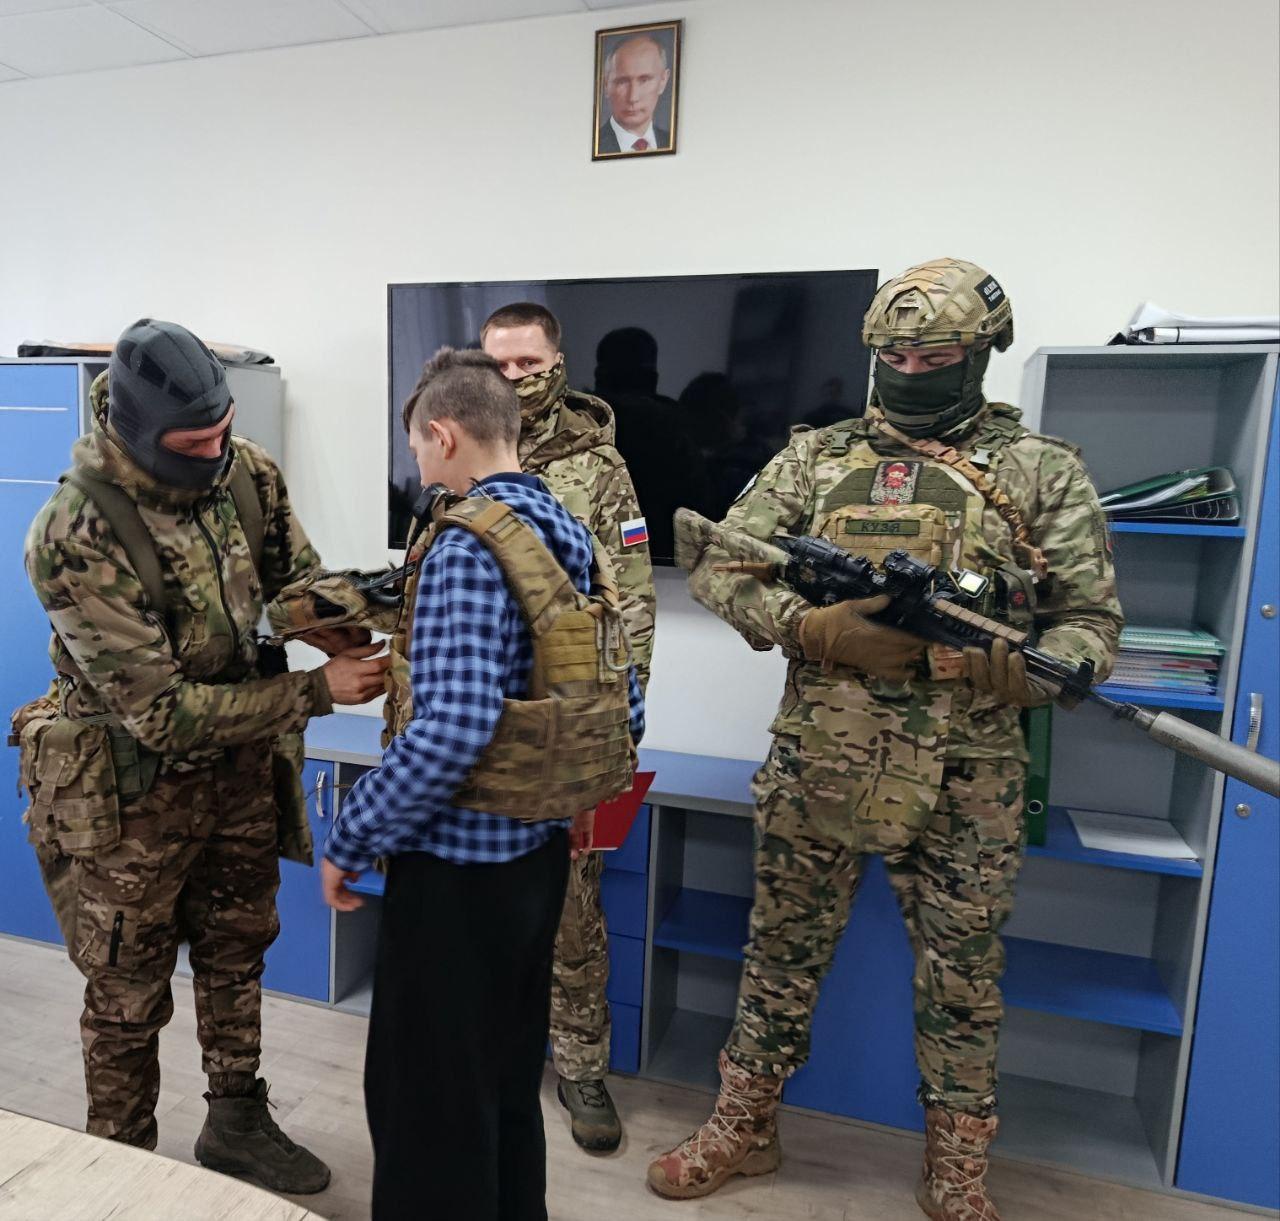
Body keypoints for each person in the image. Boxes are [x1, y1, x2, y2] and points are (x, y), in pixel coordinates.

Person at [647, 259, 1123, 1220]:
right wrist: (812, 626)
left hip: (969, 773)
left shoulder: (1040, 470)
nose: (908, 369)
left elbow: (1091, 625)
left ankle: (957, 1170)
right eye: (892, 354)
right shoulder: (813, 460)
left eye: (932, 355)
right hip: (822, 753)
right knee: (779, 950)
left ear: (978, 352)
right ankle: (744, 1125)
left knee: (963, 974)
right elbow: (721, 567)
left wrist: (1031, 668)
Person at [18, 318, 387, 1191]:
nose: (217, 452)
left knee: (237, 947)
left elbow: (290, 582)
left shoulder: (245, 471)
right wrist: (316, 691)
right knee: (126, 992)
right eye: (195, 444)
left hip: (238, 774)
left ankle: (236, 1121)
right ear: (140, 432)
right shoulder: (75, 532)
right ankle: (117, 1165)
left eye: (223, 430)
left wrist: (339, 614)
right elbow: (161, 713)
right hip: (131, 795)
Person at [319, 347, 645, 1221]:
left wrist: (351, 834)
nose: (421, 471)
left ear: (444, 433)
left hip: (456, 873)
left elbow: (453, 725)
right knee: (503, 1080)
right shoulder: (567, 529)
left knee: (427, 1101)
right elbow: (621, 694)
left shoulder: (468, 543)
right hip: (534, 858)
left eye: (419, 452)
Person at [479, 301, 656, 1152]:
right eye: (499, 365)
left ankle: (581, 1065)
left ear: (559, 363)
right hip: (478, 719)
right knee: (476, 906)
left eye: (529, 363)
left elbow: (634, 603)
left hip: (564, 723)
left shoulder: (598, 468)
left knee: (571, 910)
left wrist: (619, 725)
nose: (514, 379)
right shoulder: (462, 448)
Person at [597, 33, 672, 154]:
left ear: (663, 81)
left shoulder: (673, 141)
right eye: (622, 82)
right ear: (606, 85)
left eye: (644, 80)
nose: (633, 97)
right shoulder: (587, 145)